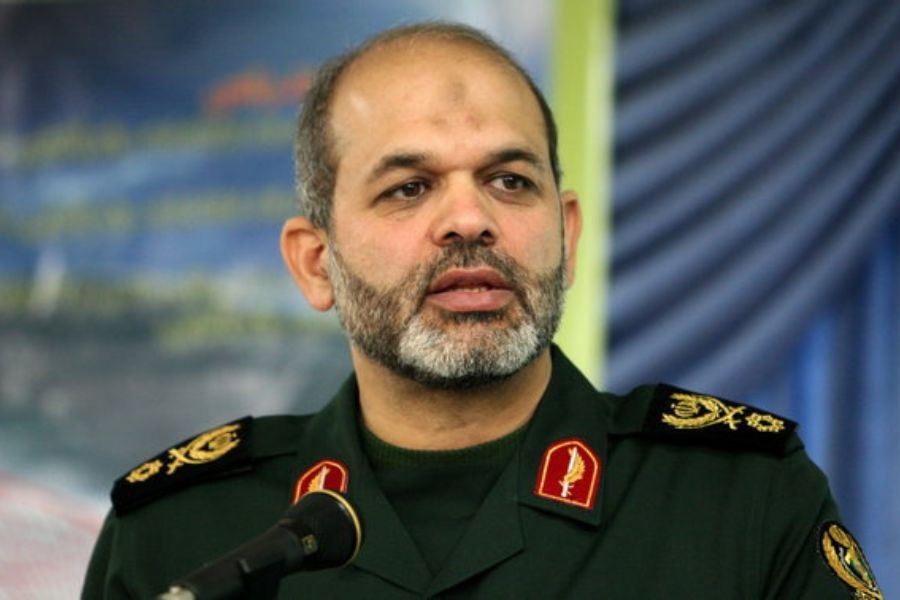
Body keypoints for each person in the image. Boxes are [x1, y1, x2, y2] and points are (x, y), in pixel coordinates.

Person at [82, 22, 881, 599]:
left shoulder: (740, 501)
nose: (470, 219)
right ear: (315, 263)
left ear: (566, 234)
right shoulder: (181, 536)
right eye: (409, 187)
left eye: (510, 181)